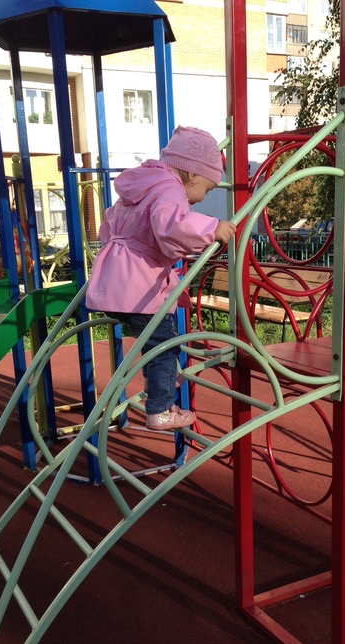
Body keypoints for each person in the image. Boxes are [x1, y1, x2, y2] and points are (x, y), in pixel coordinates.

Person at [86, 125, 237, 431]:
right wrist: (212, 228)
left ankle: (163, 376)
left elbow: (109, 225)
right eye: (207, 189)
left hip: (113, 284)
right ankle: (161, 409)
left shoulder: (144, 186)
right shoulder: (170, 189)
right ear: (191, 174)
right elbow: (173, 225)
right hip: (138, 286)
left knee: (158, 342)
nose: (202, 199)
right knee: (163, 345)